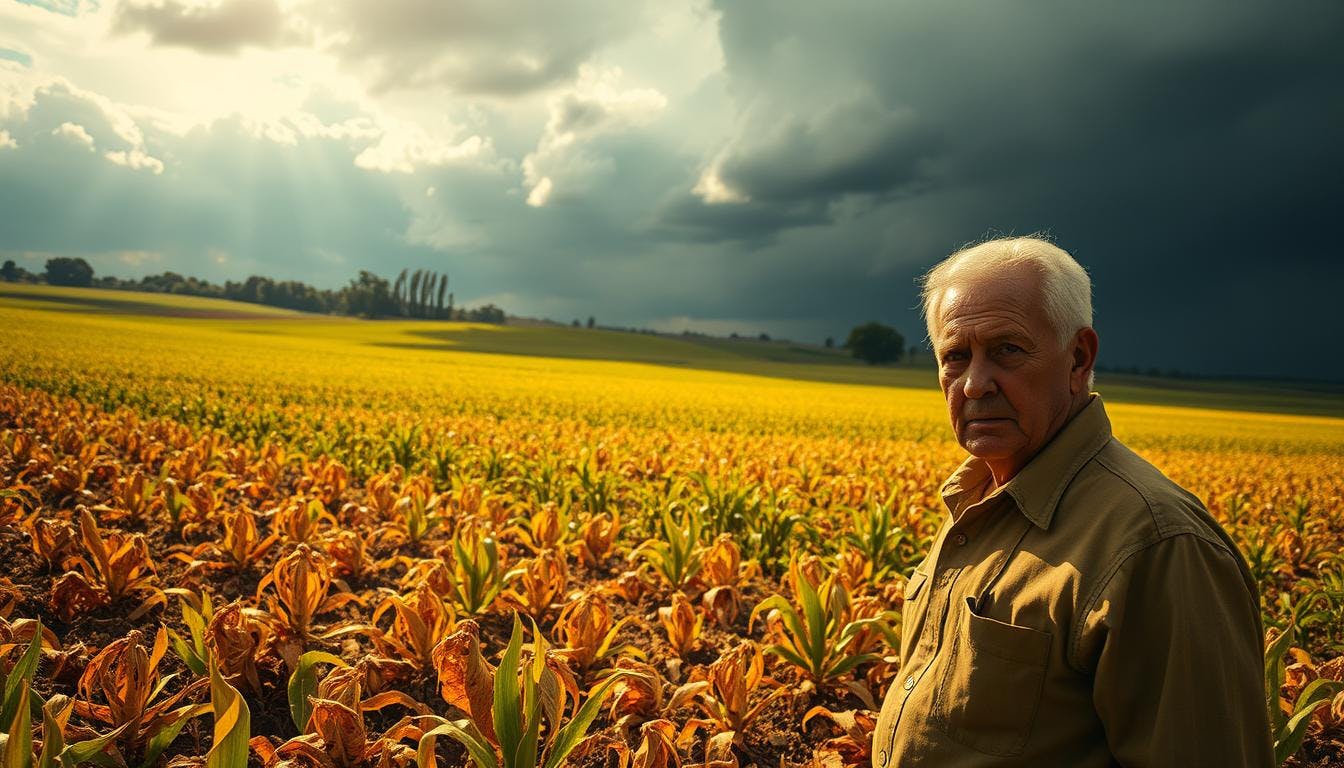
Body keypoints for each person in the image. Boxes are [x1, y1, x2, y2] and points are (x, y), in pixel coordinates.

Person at [870, 236, 1272, 766]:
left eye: (1007, 350)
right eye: (955, 357)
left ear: (1078, 358)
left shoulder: (1158, 545)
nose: (973, 385)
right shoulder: (977, 500)